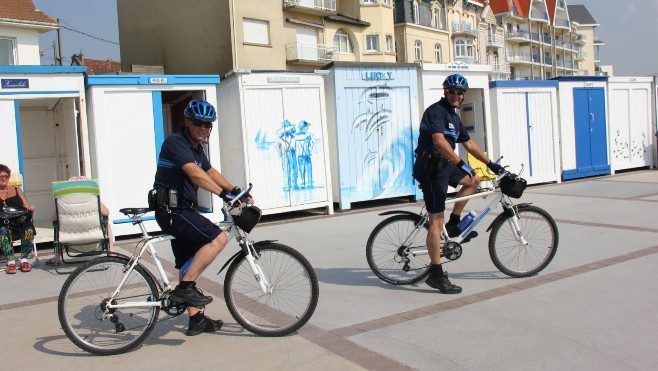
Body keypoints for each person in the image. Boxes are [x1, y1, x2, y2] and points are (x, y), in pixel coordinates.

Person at [152, 99, 244, 336]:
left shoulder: (196, 148)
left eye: (208, 124)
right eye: (198, 123)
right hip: (173, 210)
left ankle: (196, 320)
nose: (203, 128)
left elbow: (209, 171)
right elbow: (195, 173)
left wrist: (235, 191)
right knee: (218, 239)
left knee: (188, 264)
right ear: (187, 122)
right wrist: (224, 195)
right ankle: (185, 289)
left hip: (182, 209)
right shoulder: (176, 142)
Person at [412, 74, 503, 294]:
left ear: (463, 95)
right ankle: (435, 274)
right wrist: (462, 164)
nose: (456, 95)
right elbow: (439, 141)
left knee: (474, 180)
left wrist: (491, 164)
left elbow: (468, 143)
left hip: (444, 166)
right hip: (430, 169)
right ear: (445, 92)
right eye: (452, 91)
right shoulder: (436, 111)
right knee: (435, 220)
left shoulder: (454, 116)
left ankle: (453, 224)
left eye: (460, 92)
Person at [47, 175, 114, 265]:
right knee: (107, 224)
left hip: (69, 238)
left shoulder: (63, 201)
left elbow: (54, 218)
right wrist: (97, 202)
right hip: (94, 236)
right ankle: (111, 251)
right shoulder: (92, 199)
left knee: (57, 226)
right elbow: (106, 213)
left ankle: (57, 257)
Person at [0, 164, 36, 274]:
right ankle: (11, 262)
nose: (3, 178)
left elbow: (26, 206)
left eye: (5, 176)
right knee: (2, 230)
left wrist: (30, 209)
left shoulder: (17, 190)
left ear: (9, 177)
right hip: (3, 226)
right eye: (0, 176)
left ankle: (24, 260)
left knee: (29, 228)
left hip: (18, 224)